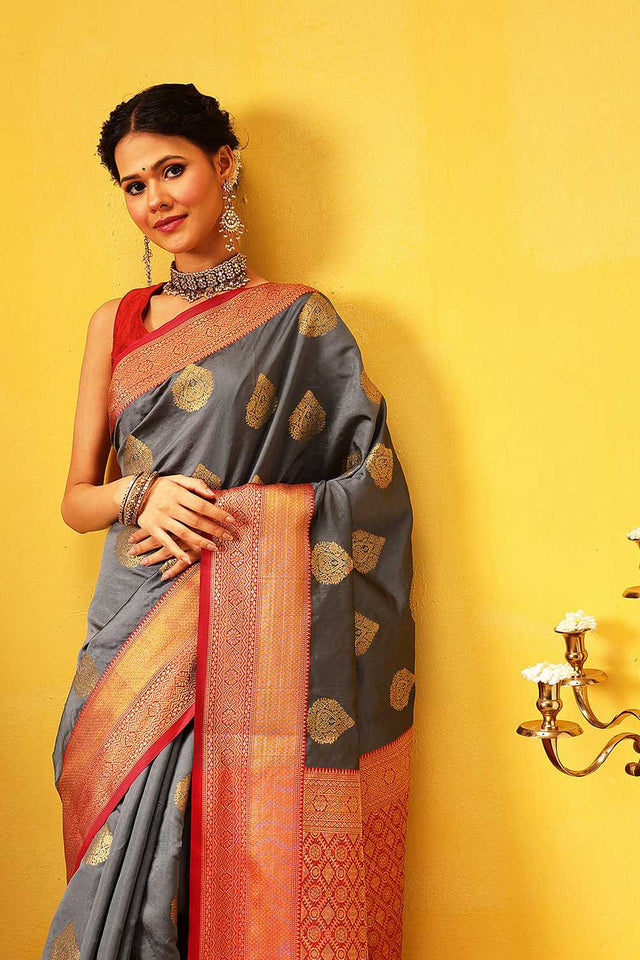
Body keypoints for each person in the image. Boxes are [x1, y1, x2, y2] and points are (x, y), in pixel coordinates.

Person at [41, 81, 416, 960]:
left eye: (172, 171)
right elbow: (76, 499)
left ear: (225, 165)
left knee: (237, 860)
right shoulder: (115, 323)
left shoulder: (300, 320)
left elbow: (372, 485)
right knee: (123, 867)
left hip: (258, 639)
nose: (156, 199)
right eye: (134, 186)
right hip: (133, 632)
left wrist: (248, 514)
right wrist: (141, 493)